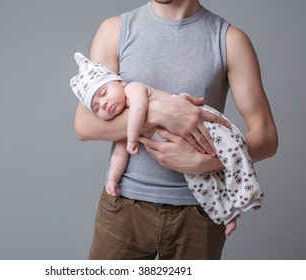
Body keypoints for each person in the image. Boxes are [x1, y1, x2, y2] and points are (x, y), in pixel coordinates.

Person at [74, 0, 278, 260]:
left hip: (201, 211)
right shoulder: (115, 30)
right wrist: (162, 113)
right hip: (124, 207)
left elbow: (267, 137)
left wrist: (206, 163)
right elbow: (84, 125)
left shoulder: (229, 40)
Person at [70, 52, 263, 237]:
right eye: (96, 107)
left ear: (119, 82)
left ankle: (248, 193)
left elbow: (139, 109)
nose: (103, 103)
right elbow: (119, 155)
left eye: (104, 93)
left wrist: (131, 139)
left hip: (200, 124)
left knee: (232, 149)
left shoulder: (133, 89)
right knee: (202, 185)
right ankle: (228, 214)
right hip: (185, 155)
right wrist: (112, 179)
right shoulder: (123, 125)